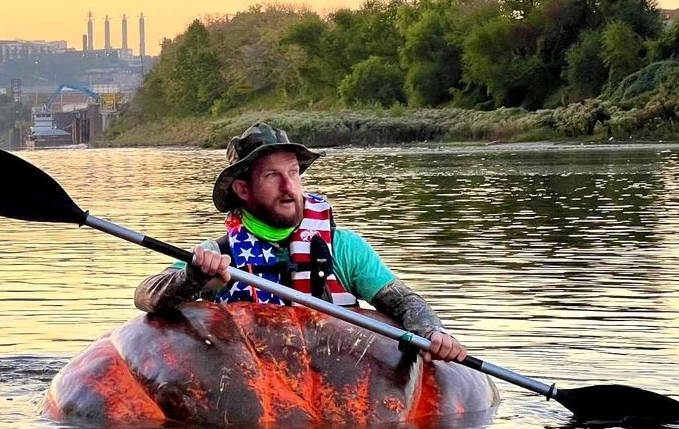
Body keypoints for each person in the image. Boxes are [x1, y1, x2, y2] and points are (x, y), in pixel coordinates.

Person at [134, 122, 466, 363]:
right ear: (243, 190)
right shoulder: (217, 255)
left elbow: (405, 303)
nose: (288, 187)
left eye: (293, 173)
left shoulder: (344, 248)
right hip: (251, 389)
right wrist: (193, 278)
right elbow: (146, 296)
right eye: (271, 176)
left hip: (335, 384)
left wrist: (431, 332)